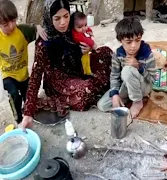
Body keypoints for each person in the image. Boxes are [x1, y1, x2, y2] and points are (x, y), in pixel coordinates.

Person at [20, 0, 113, 130]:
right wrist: (28, 114)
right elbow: (35, 77)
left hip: (78, 67)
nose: (63, 22)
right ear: (49, 17)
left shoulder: (72, 28)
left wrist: (88, 50)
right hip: (60, 81)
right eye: (57, 18)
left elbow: (85, 42)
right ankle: (107, 86)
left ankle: (108, 85)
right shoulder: (44, 42)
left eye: (66, 16)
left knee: (106, 52)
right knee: (86, 90)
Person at [97, 17, 157, 118]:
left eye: (137, 40)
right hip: (126, 86)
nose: (133, 45)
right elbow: (114, 76)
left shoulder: (147, 54)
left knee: (127, 70)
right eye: (129, 42)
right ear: (120, 40)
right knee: (103, 105)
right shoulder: (118, 54)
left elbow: (153, 79)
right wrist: (115, 94)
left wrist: (139, 67)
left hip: (144, 86)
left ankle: (137, 102)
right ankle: (128, 96)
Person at [0, 0, 47, 123]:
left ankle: (28, 116)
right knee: (14, 94)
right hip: (8, 75)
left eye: (13, 21)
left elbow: (35, 28)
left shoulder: (22, 31)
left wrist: (39, 28)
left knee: (28, 98)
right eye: (5, 24)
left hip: (23, 74)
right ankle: (18, 119)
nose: (11, 26)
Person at [71, 11, 96, 75]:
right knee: (83, 63)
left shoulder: (82, 30)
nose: (84, 28)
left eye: (85, 25)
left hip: (86, 52)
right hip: (80, 54)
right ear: (73, 27)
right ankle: (84, 74)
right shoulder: (75, 34)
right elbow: (82, 39)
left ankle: (89, 72)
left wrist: (90, 32)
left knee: (88, 61)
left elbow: (88, 29)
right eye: (80, 27)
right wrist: (92, 43)